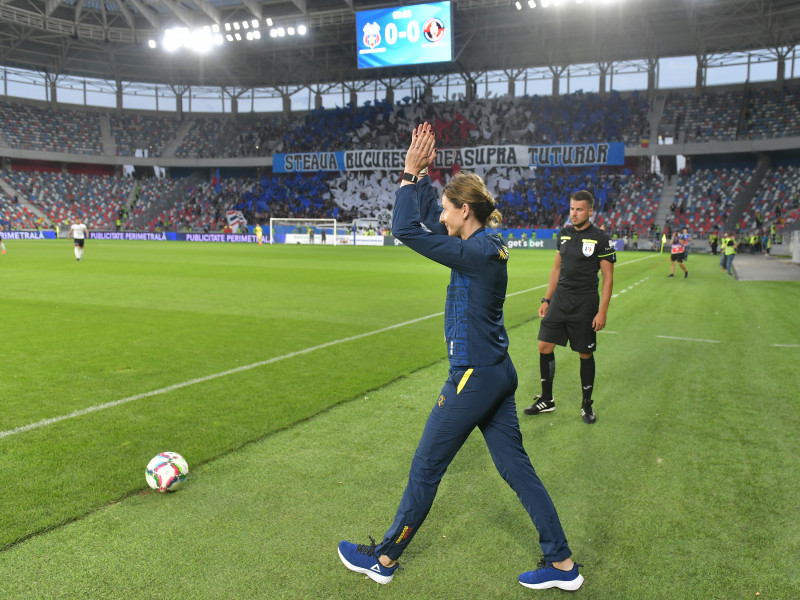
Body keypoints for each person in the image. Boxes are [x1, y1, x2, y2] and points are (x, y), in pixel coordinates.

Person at [338, 123, 584, 591]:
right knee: (517, 470)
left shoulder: (477, 253)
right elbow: (432, 220)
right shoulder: (482, 244)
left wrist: (409, 176)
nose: (443, 217)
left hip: (473, 376)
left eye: (449, 210)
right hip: (496, 372)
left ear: (465, 210)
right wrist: (428, 180)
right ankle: (561, 564)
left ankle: (384, 558)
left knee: (426, 467)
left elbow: (406, 228)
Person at [524, 190, 615, 424]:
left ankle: (586, 404)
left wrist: (602, 311)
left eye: (579, 209)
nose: (574, 214)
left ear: (590, 211)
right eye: (572, 209)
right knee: (544, 346)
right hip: (560, 301)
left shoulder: (602, 238)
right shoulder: (563, 235)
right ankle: (547, 399)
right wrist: (547, 299)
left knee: (585, 353)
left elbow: (608, 278)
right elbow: (556, 269)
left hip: (585, 304)